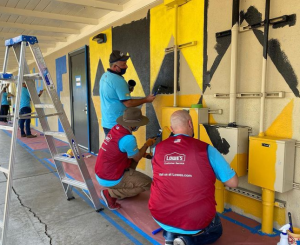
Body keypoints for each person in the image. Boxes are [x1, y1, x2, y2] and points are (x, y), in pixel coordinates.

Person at [149, 110, 238, 245]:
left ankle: (171, 235)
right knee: (216, 230)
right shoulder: (206, 150)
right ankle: (187, 240)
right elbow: (233, 183)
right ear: (190, 123)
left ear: (172, 129)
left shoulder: (157, 149)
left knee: (173, 216)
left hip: (160, 213)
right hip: (195, 219)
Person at [95, 107, 156, 210]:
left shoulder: (116, 129)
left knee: (133, 161)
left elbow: (123, 151)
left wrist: (144, 154)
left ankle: (123, 186)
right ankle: (110, 194)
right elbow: (136, 158)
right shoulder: (128, 138)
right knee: (147, 183)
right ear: (133, 124)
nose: (139, 126)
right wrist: (147, 144)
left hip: (102, 172)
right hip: (110, 177)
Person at [99, 50, 156, 136]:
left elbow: (112, 94)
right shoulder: (118, 80)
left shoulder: (104, 76)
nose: (126, 66)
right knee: (123, 148)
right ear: (115, 66)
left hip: (107, 123)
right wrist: (146, 99)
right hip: (118, 124)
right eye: (123, 65)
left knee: (112, 148)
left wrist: (126, 91)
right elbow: (128, 103)